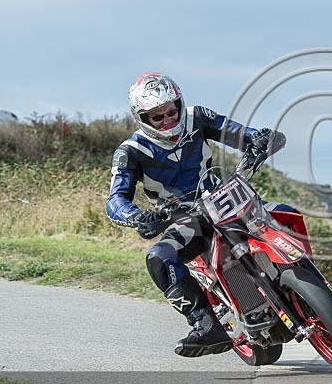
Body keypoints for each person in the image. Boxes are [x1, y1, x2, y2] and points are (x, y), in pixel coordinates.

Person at [106, 72, 288, 358]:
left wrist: (258, 138)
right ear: (142, 118)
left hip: (225, 198)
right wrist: (137, 216)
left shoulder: (197, 117)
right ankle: (205, 324)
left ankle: (306, 277)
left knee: (286, 212)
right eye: (158, 117)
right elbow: (115, 200)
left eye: (171, 111)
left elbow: (237, 133)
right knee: (159, 257)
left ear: (179, 104)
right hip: (183, 218)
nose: (168, 120)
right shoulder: (130, 151)